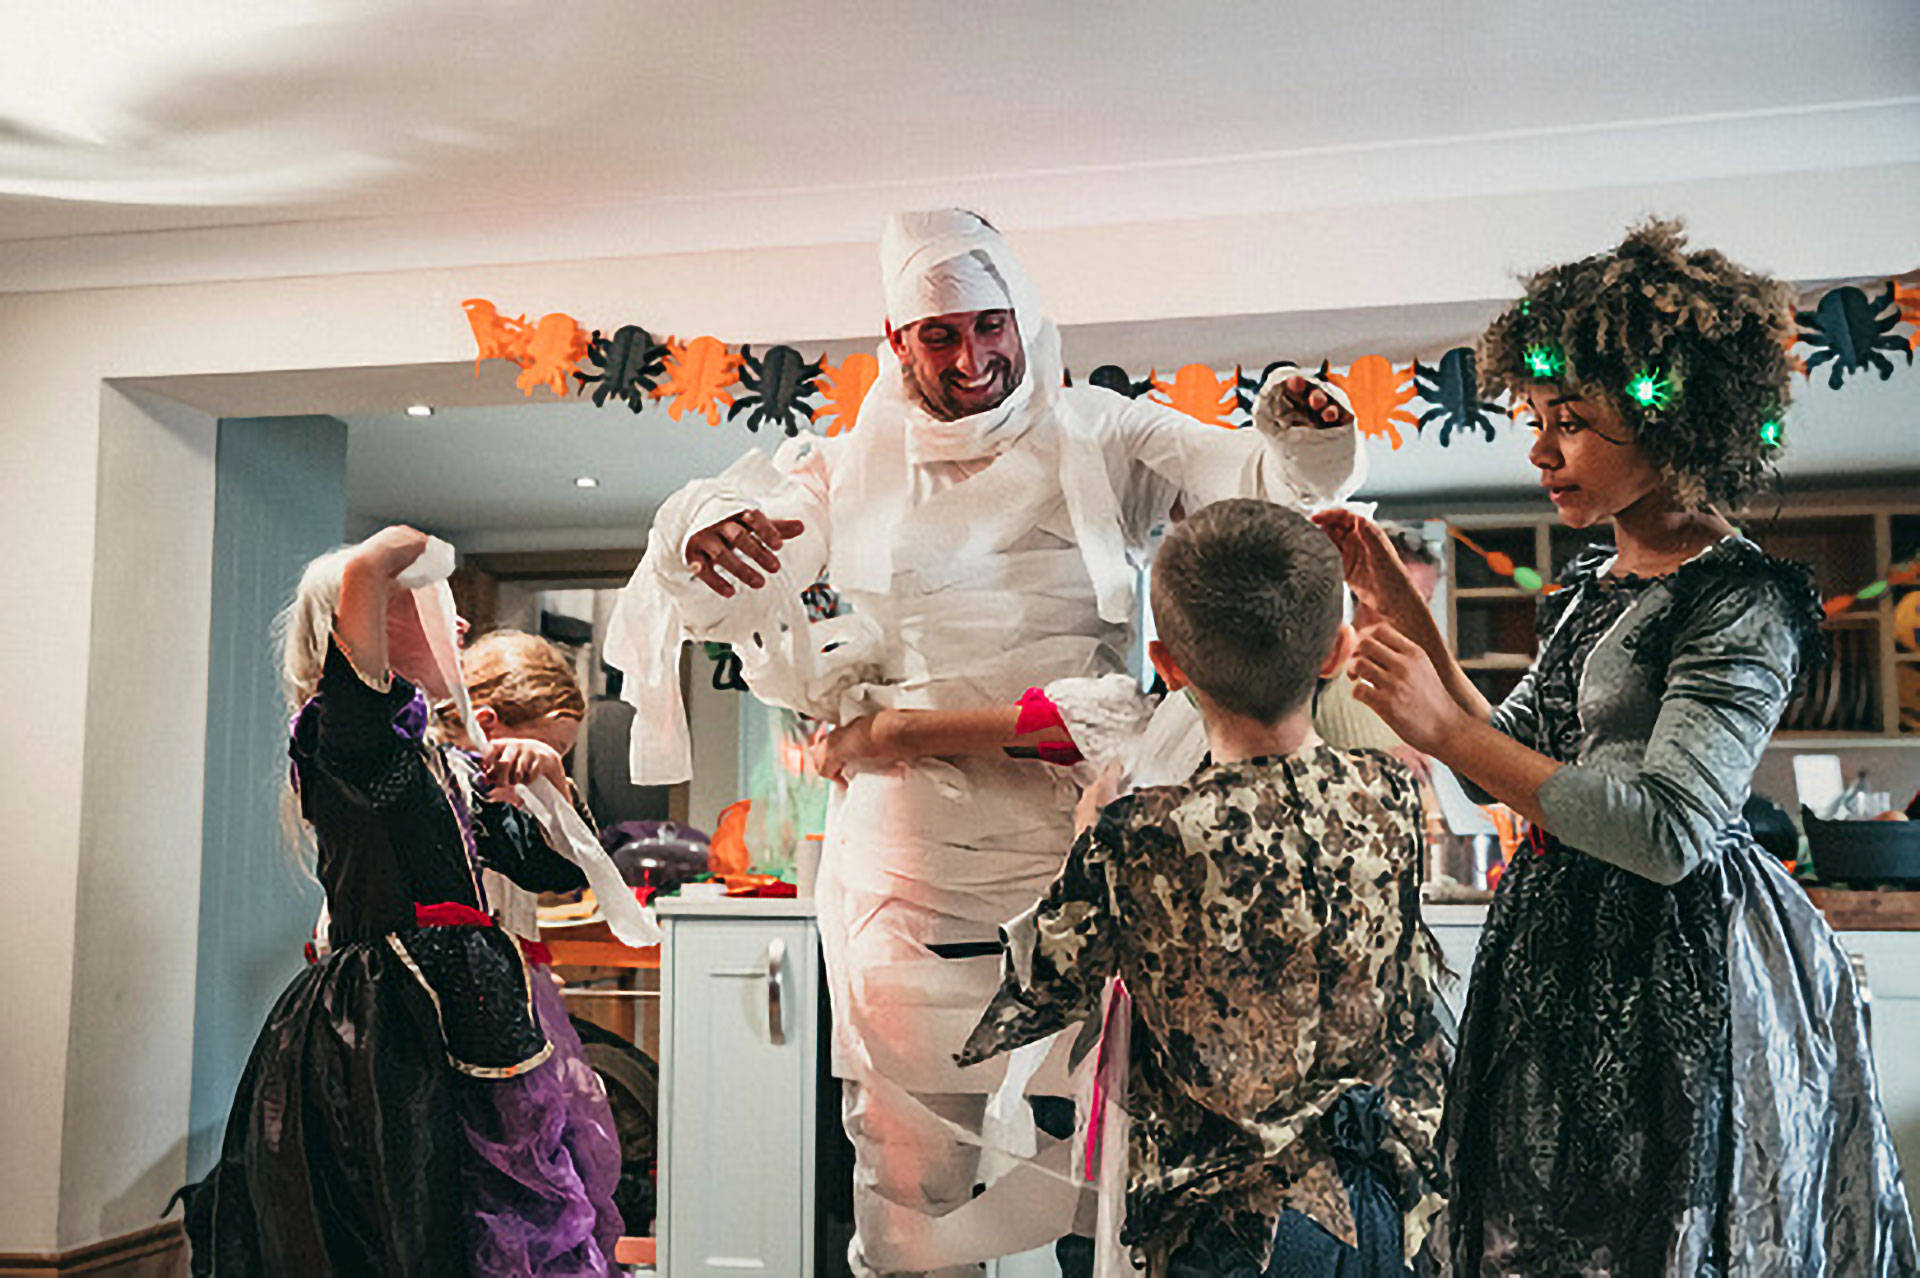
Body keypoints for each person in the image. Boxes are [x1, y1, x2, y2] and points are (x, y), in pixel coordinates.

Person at [606, 208, 1365, 1274]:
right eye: (940, 335)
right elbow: (754, 536)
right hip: (907, 883)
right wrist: (705, 531)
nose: (973, 359)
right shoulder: (848, 465)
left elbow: (1254, 482)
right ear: (895, 338)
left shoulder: (1101, 435)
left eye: (990, 325)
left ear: (1025, 314)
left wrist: (1300, 437)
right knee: (908, 1184)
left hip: (1084, 872)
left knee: (1104, 1174)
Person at [1326, 219, 1918, 1273]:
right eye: (1539, 419)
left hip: (1676, 966)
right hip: (1569, 946)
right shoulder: (1601, 587)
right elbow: (1511, 754)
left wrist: (1450, 728)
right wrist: (1398, 609)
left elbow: (1670, 832)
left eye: (1575, 423)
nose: (1542, 450)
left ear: (1675, 421)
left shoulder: (1741, 598)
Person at [956, 499, 1450, 1277]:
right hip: (1384, 1198)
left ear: (1169, 666)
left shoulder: (1143, 833)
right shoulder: (1387, 789)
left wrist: (1087, 837)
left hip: (1231, 1220)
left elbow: (1038, 988)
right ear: (1336, 652)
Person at [183, 527, 621, 1276]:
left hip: (469, 1006)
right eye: (431, 604)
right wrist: (384, 562)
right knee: (410, 1208)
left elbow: (550, 866)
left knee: (489, 1199)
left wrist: (550, 780)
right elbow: (359, 638)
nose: (460, 625)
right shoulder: (348, 745)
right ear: (372, 625)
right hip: (388, 1023)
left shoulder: (447, 762)